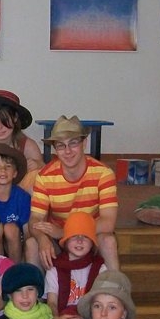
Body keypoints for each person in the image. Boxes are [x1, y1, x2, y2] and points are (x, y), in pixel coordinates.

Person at [29, 115, 119, 272]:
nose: (67, 151)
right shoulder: (44, 176)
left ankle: (115, 285)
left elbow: (108, 222)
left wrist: (66, 232)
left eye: (73, 143)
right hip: (58, 240)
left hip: (89, 236)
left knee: (108, 241)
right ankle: (35, 287)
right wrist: (42, 238)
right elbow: (35, 218)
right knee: (32, 244)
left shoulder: (103, 173)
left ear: (84, 143)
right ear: (55, 149)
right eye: (61, 145)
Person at [44, 211, 107, 319]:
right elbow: (52, 302)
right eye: (74, 236)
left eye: (85, 237)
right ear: (66, 241)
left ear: (92, 243)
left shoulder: (100, 268)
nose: (79, 241)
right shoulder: (55, 269)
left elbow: (102, 302)